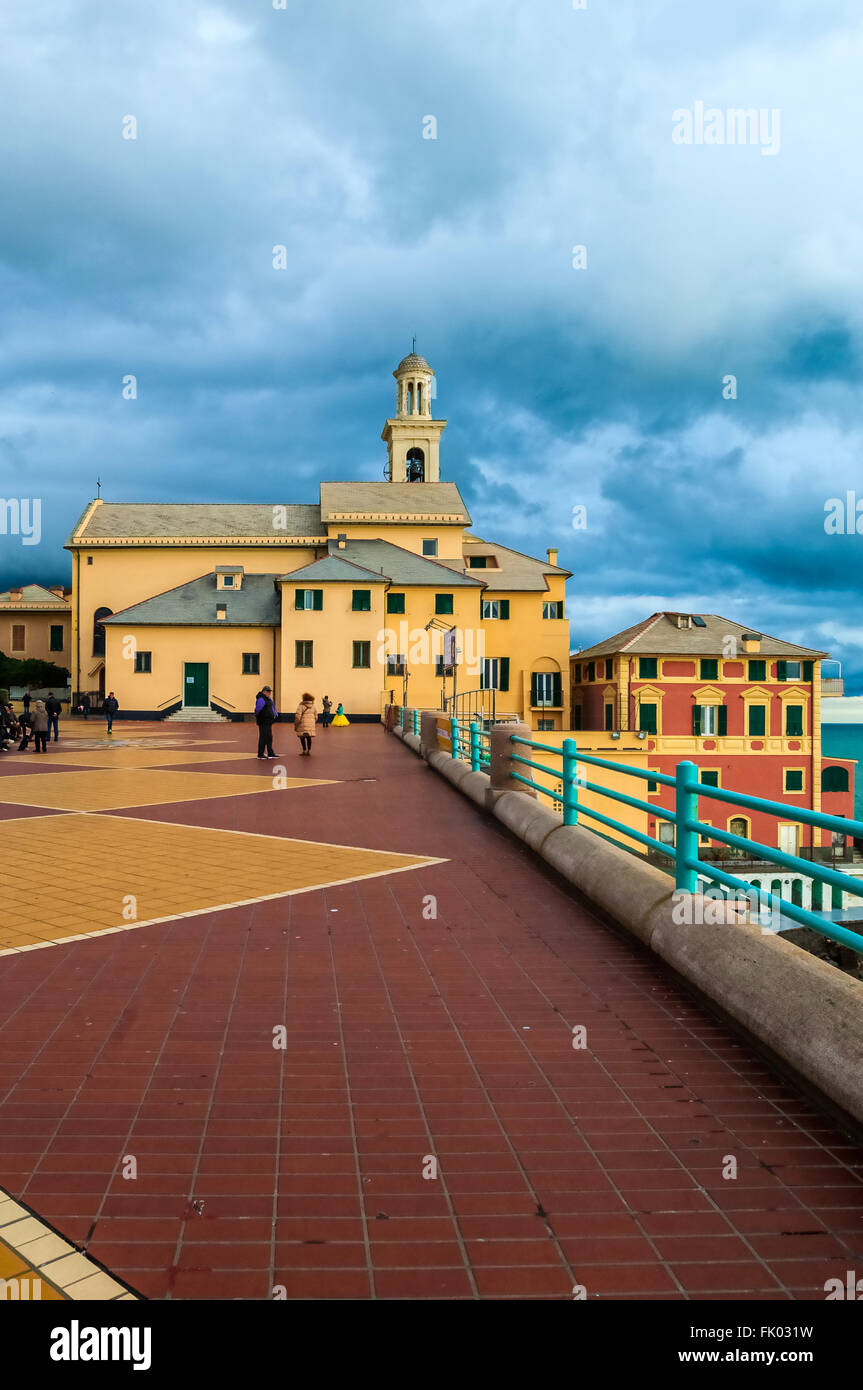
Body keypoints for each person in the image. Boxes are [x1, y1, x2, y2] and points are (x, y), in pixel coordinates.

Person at [254, 686, 278, 758]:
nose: (269, 693)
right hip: (263, 721)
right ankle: (260, 754)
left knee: (269, 737)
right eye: (268, 691)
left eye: (270, 692)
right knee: (263, 737)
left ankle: (270, 752)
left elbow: (272, 708)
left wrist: (275, 714)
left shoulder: (268, 699)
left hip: (268, 721)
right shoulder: (261, 699)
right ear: (264, 691)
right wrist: (260, 717)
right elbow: (257, 710)